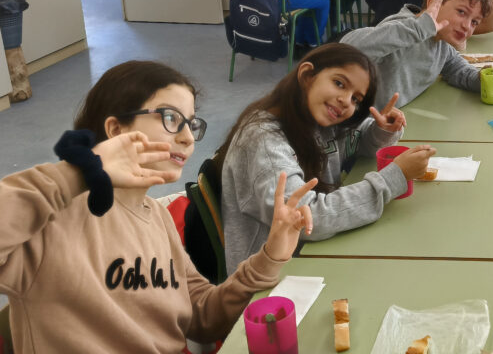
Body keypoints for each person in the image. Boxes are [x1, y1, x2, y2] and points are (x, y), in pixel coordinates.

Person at [0, 60, 316, 352]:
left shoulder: (157, 218)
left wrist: (270, 256)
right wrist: (81, 172)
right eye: (170, 118)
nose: (188, 138)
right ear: (116, 130)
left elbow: (203, 316)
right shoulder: (50, 221)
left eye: (191, 124)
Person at [216, 44, 436, 273]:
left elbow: (355, 142)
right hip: (269, 278)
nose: (346, 101)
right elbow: (307, 220)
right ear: (307, 75)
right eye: (339, 83)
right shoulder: (263, 141)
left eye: (356, 99)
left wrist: (381, 132)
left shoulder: (320, 118)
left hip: (310, 253)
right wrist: (394, 178)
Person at [344, 0, 489, 110]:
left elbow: (457, 69)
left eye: (474, 22)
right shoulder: (405, 29)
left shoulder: (442, 43)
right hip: (354, 118)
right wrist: (419, 29)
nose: (467, 26)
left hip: (391, 119)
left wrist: (482, 80)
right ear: (434, 3)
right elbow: (348, 49)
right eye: (461, 12)